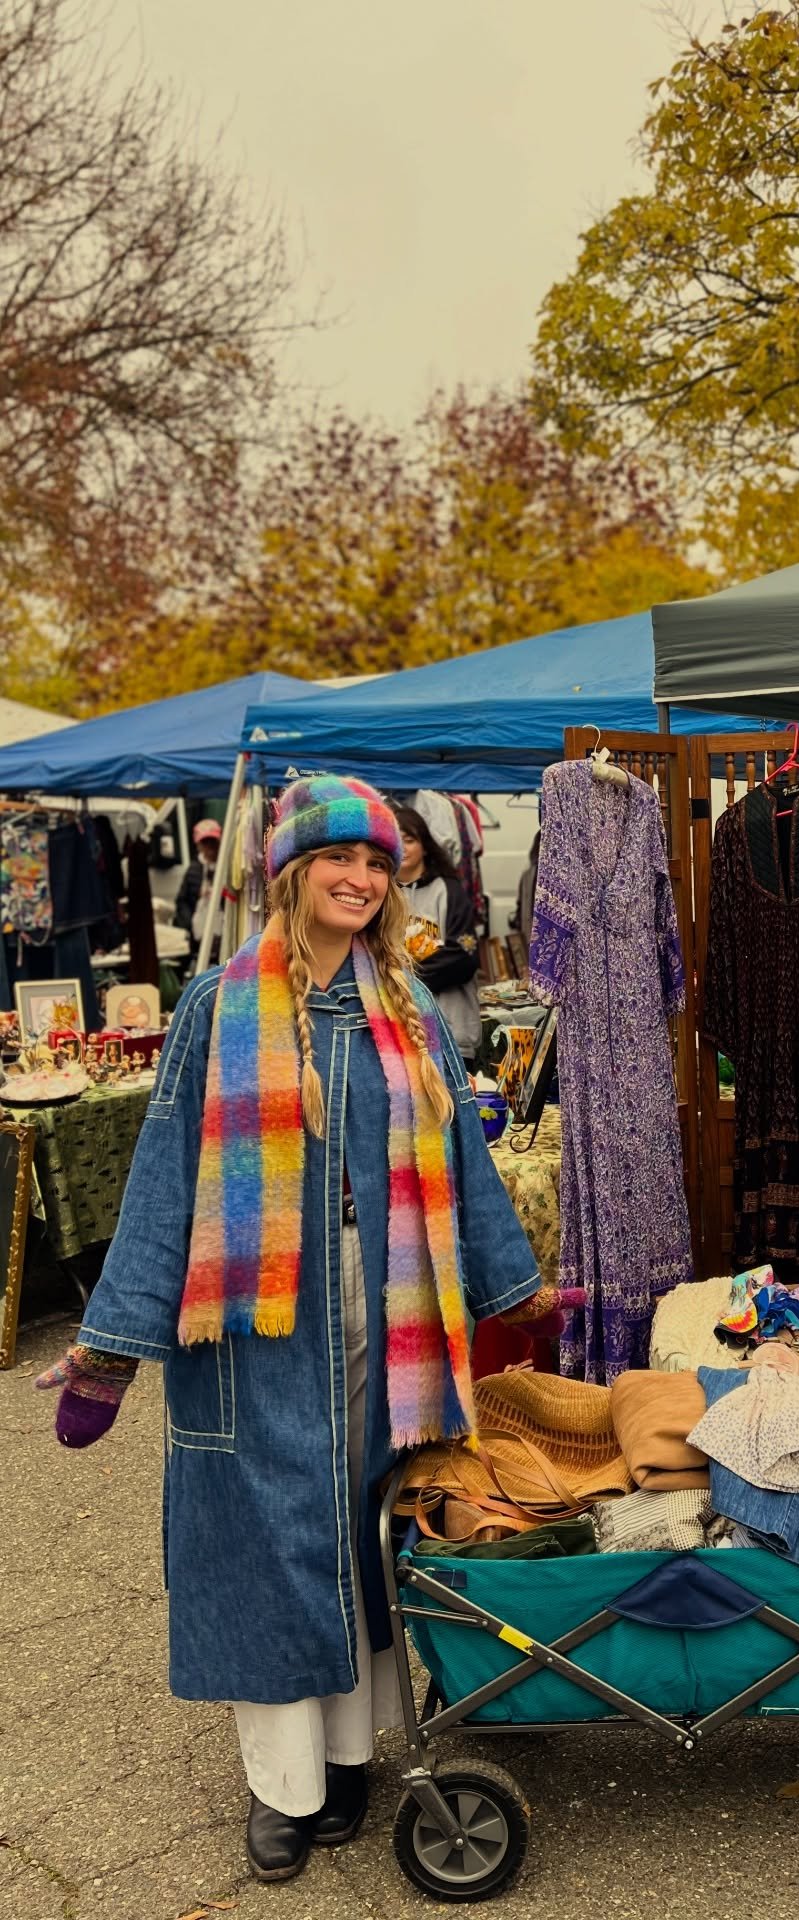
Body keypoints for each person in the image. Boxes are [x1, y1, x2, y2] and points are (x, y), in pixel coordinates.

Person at [35, 775, 576, 1884]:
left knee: (364, 1529)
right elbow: (164, 1174)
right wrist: (109, 1349)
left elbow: (461, 1157)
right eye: (340, 859)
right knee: (271, 1541)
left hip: (386, 1306)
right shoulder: (218, 1005)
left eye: (377, 863)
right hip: (251, 1323)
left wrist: (511, 1286)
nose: (361, 879)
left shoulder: (404, 1006)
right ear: (290, 872)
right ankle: (282, 1786)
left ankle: (349, 1756)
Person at [393, 805, 482, 1066]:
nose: (403, 848)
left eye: (409, 840)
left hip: (451, 1032)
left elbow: (464, 956)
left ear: (425, 845)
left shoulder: (449, 890)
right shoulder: (381, 894)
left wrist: (402, 979)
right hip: (401, 1035)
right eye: (396, 840)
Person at [174, 817, 223, 967]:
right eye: (205, 843)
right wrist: (189, 924)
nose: (209, 847)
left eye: (212, 842)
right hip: (198, 932)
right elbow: (182, 900)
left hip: (221, 928)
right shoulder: (194, 869)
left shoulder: (224, 867)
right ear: (198, 845)